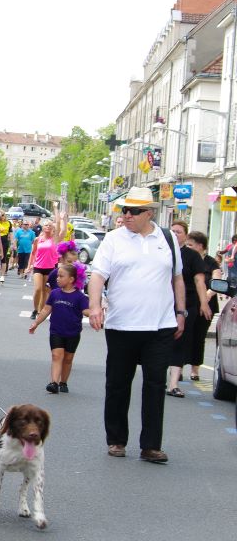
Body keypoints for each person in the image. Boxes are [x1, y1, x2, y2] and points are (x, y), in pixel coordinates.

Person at [88, 187, 183, 464]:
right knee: (118, 384)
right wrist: (95, 306)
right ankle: (117, 439)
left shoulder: (166, 239)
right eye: (124, 210)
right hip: (122, 325)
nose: (127, 215)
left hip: (160, 325)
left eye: (134, 211)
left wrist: (181, 311)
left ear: (149, 213)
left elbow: (177, 278)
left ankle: (151, 445)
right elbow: (97, 276)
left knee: (155, 384)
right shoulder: (114, 239)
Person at [29, 263, 90, 394]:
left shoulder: (80, 297)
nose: (57, 278)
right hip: (56, 331)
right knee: (56, 356)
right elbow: (46, 310)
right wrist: (36, 323)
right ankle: (54, 383)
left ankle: (63, 382)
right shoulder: (55, 293)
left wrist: (95, 313)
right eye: (57, 276)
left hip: (73, 332)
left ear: (71, 279)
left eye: (61, 276)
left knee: (68, 359)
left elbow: (86, 311)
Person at [165, 220, 210, 398]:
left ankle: (173, 383)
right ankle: (157, 378)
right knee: (160, 340)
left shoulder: (192, 256)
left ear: (185, 235)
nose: (175, 235)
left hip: (188, 302)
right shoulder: (161, 251)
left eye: (179, 232)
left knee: (180, 339)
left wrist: (204, 302)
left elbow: (199, 280)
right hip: (163, 302)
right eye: (173, 231)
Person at [187, 230, 220, 382]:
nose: (188, 247)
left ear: (200, 246)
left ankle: (195, 369)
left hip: (207, 304)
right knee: (184, 334)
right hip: (189, 302)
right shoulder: (186, 259)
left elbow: (216, 283)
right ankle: (177, 367)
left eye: (190, 245)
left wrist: (204, 299)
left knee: (199, 336)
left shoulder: (211, 262)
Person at [26, 217, 65, 318]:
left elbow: (63, 230)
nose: (48, 226)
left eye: (50, 225)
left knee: (45, 290)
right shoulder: (37, 239)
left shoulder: (54, 239)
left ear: (53, 228)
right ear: (43, 227)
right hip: (38, 266)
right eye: (46, 225)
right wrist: (29, 265)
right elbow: (33, 253)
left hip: (50, 268)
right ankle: (35, 309)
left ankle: (40, 311)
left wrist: (62, 218)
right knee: (38, 289)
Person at [0, 211, 12, 282]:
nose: (3, 216)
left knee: (3, 258)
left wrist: (11, 243)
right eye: (1, 215)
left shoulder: (9, 223)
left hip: (5, 241)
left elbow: (10, 233)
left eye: (4, 215)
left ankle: (2, 275)